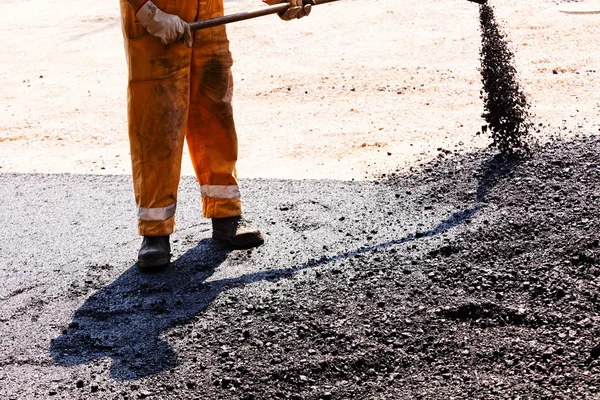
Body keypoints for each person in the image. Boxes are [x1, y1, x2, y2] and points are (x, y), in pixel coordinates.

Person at [120, 0, 311, 269]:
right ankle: (155, 230)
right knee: (157, 124)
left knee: (215, 112)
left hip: (207, 15)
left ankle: (225, 213)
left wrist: (281, 0)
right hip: (156, 18)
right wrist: (147, 12)